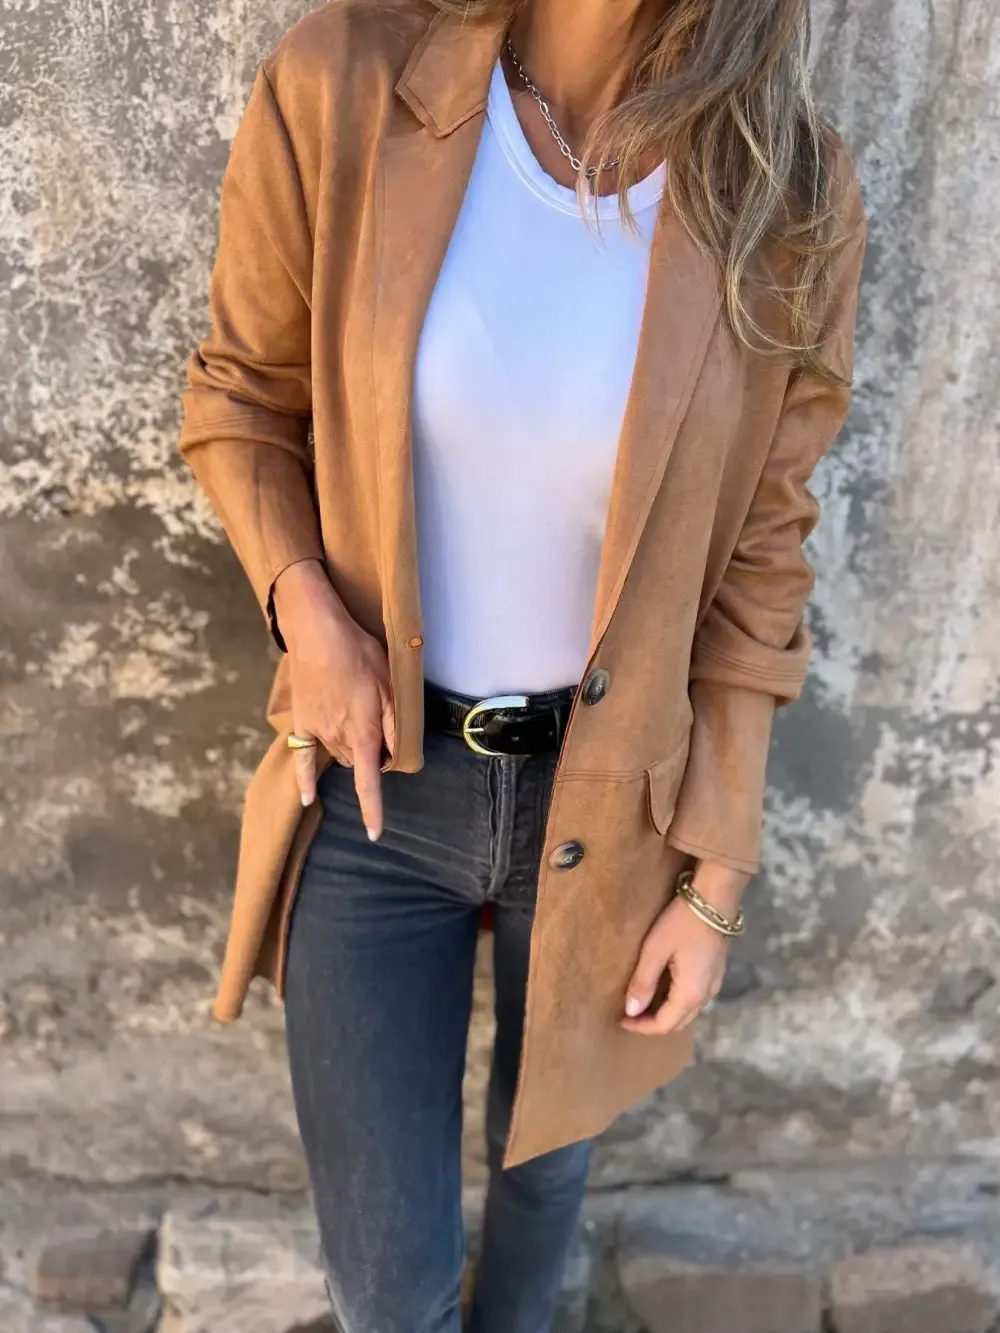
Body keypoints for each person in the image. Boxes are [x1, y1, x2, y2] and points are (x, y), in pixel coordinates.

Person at [178, 0, 866, 1328]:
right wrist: (309, 614)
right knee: (392, 1291)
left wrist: (716, 881)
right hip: (380, 788)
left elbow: (763, 559)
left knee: (542, 1186)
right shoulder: (345, 82)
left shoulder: (785, 190)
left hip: (615, 807)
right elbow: (242, 399)